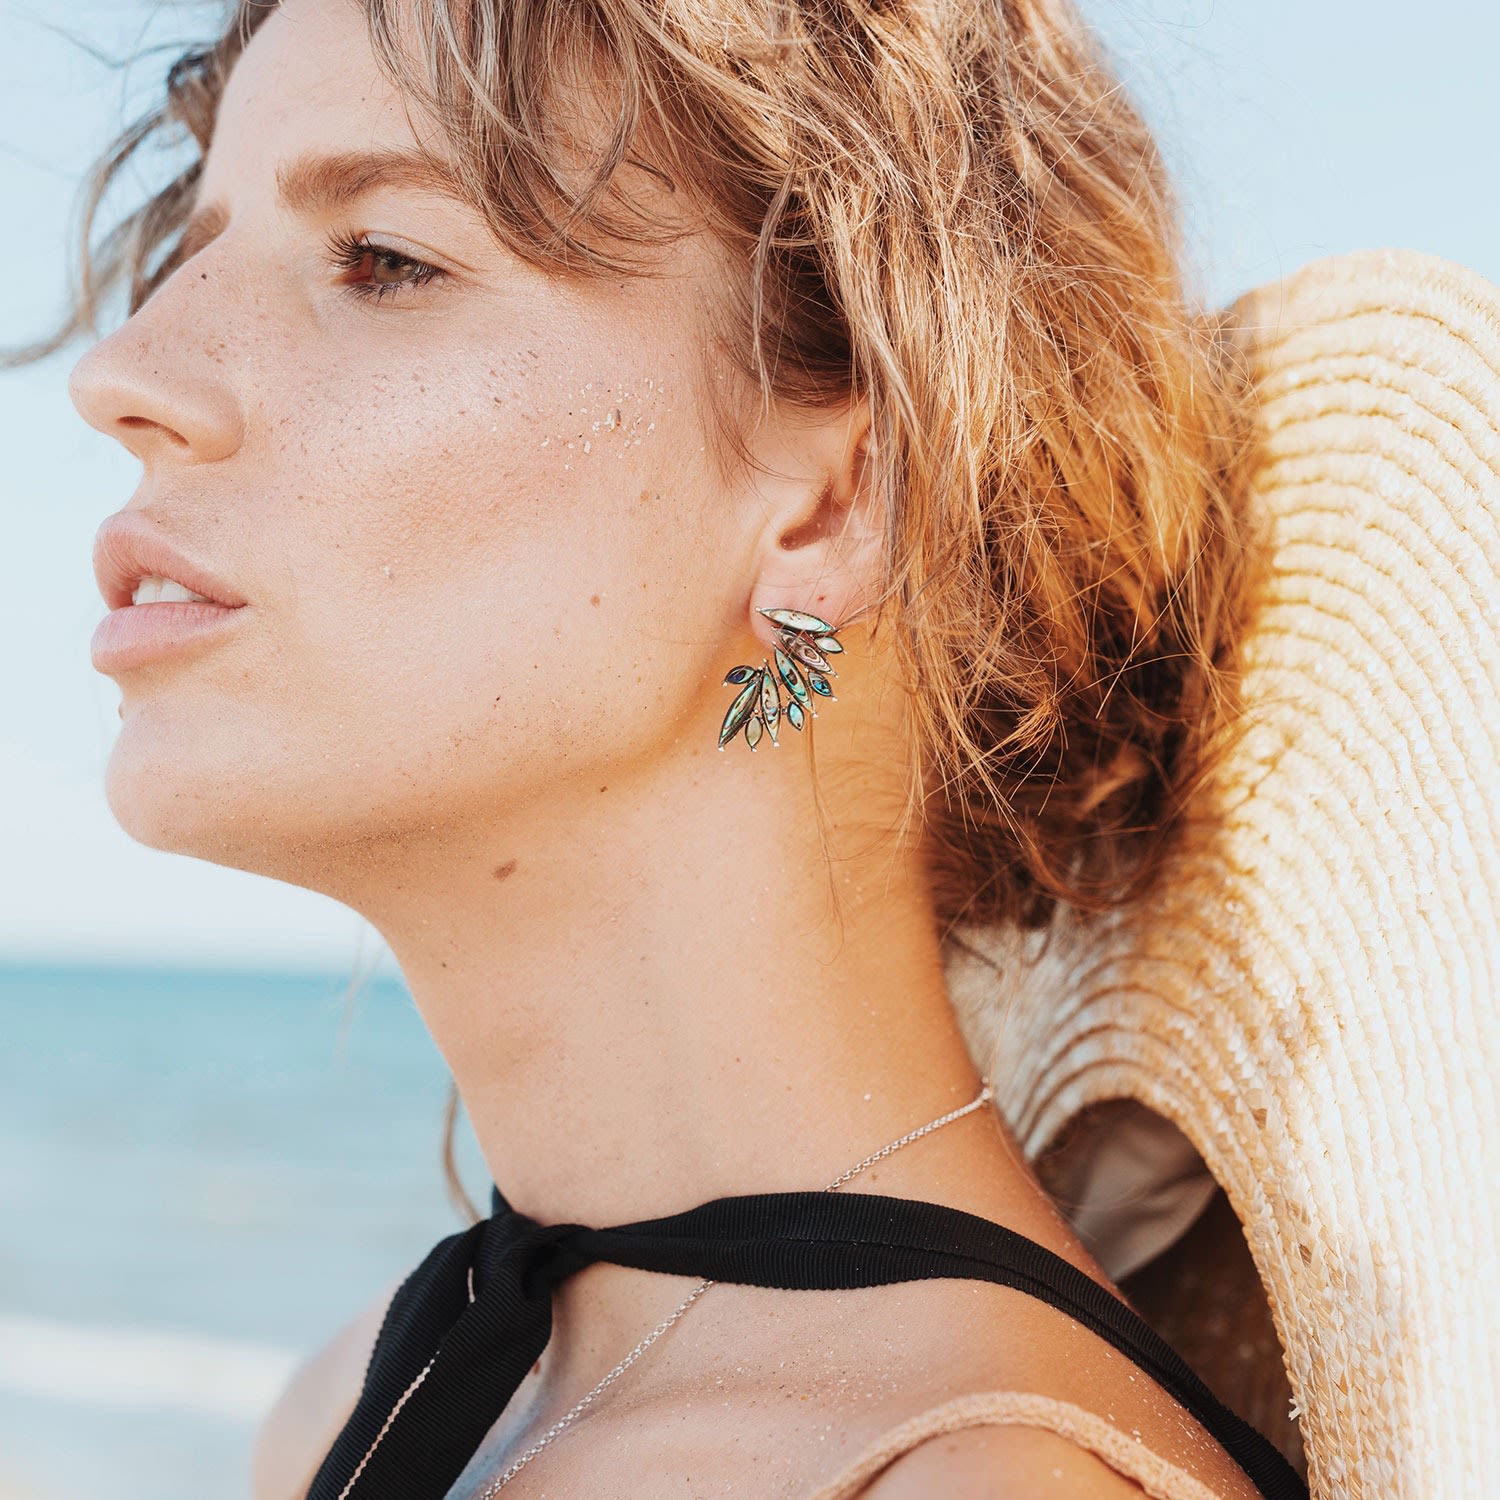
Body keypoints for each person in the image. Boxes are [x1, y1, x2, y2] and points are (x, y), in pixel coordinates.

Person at [43, 0, 1302, 1494]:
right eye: (197, 251)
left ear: (833, 505)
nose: (125, 372)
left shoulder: (975, 1480)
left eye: (383, 259)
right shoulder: (370, 1405)